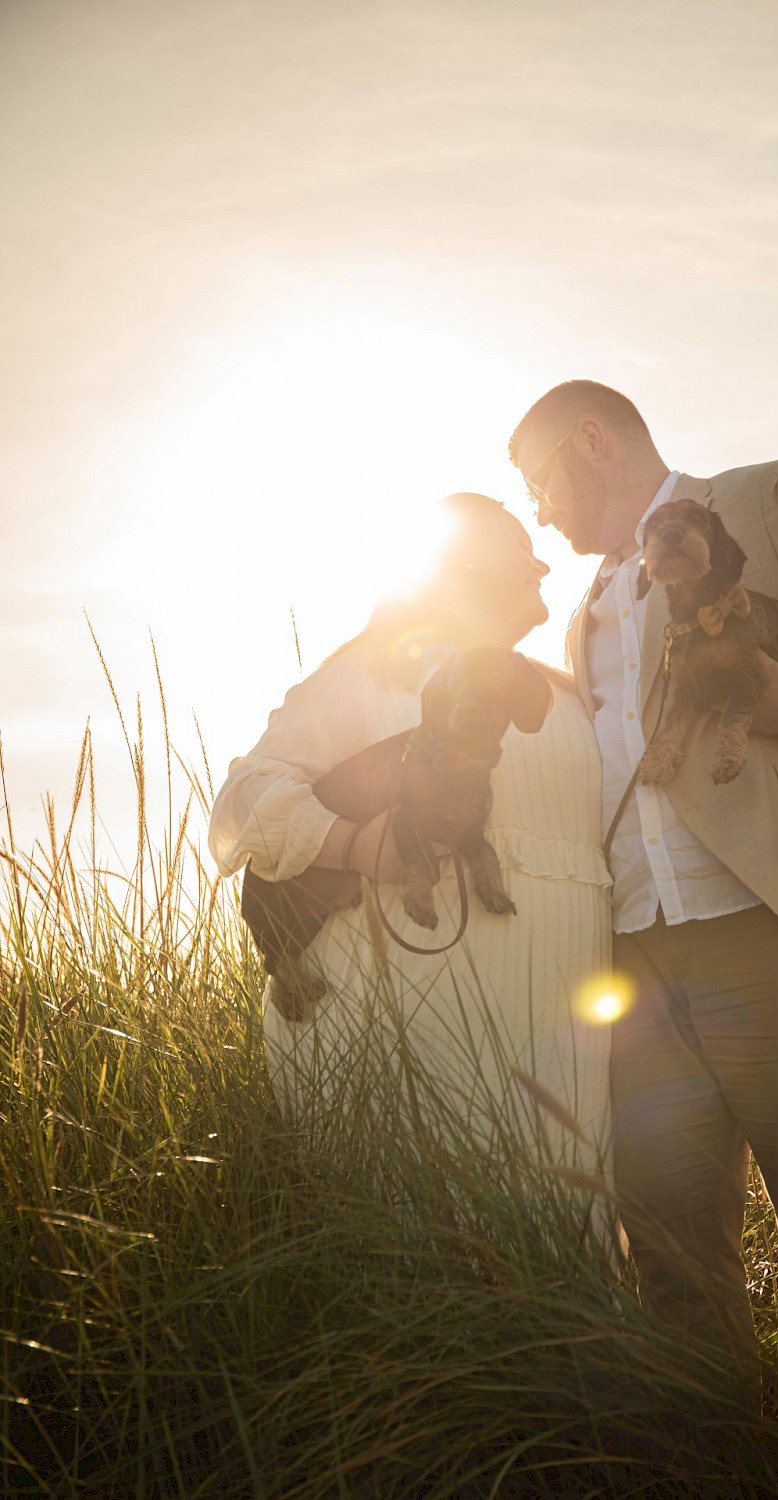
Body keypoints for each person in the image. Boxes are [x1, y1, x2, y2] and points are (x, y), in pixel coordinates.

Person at [507, 381, 778, 1428]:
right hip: (635, 956)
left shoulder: (754, 501)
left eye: (538, 483)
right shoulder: (579, 616)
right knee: (665, 1237)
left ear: (591, 440)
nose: (537, 511)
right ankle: (724, 1466)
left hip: (777, 926)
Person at [208, 492, 613, 1201]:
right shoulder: (371, 673)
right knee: (431, 1217)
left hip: (563, 1024)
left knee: (566, 1221)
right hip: (411, 1004)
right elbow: (245, 803)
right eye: (519, 544)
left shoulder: (568, 693)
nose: (542, 560)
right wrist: (360, 845)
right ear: (459, 561)